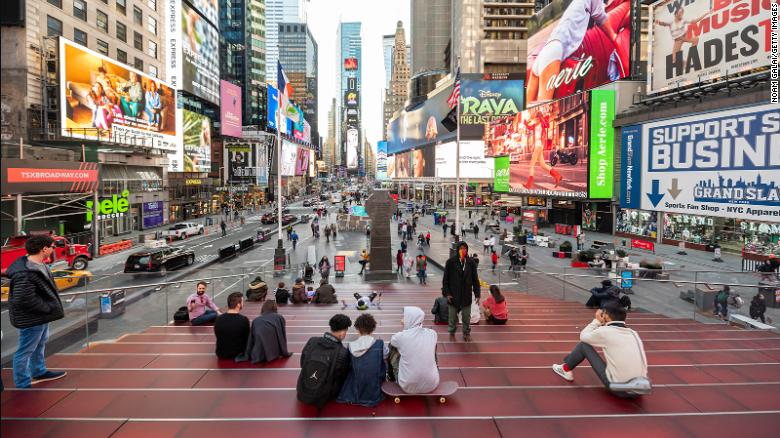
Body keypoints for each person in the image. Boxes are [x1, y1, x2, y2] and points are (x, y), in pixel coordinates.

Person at [8, 235, 67, 388]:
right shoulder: (25, 272)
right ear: (44, 249)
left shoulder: (40, 265)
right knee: (25, 350)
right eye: (53, 247)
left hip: (40, 317)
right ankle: (22, 383)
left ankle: (39, 371)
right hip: (32, 318)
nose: (54, 249)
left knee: (39, 344)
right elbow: (23, 299)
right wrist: (47, 308)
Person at [552, 304, 649, 397]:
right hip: (641, 389)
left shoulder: (605, 331)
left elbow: (583, 337)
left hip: (620, 390)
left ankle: (565, 369)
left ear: (606, 316)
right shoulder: (634, 333)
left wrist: (597, 321)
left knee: (583, 346)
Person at [297, 314, 352, 407]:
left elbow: (303, 363)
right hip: (324, 395)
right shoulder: (342, 352)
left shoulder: (312, 341)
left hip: (302, 390)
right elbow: (343, 376)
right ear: (342, 332)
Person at [337, 314, 388, 407]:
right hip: (374, 390)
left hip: (356, 387)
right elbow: (386, 357)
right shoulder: (380, 344)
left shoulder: (351, 345)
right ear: (373, 329)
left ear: (357, 329)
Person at [388, 307, 440, 393]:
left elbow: (393, 341)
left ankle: (390, 376)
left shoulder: (400, 337)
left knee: (393, 347)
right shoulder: (432, 333)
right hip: (432, 384)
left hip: (406, 385)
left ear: (410, 319)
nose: (402, 320)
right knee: (431, 347)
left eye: (404, 317)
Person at [442, 242, 481, 342]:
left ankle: (466, 333)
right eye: (461, 248)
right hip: (453, 295)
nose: (463, 250)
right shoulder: (450, 262)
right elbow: (445, 280)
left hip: (466, 294)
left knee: (466, 316)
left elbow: (475, 279)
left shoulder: (471, 262)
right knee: (452, 317)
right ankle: (451, 332)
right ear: (457, 249)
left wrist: (477, 294)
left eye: (465, 248)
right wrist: (447, 294)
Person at [213, 292, 250, 360]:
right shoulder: (243, 320)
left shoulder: (218, 319)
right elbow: (247, 338)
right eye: (242, 302)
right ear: (238, 305)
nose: (243, 304)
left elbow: (217, 334)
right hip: (238, 353)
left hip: (221, 353)